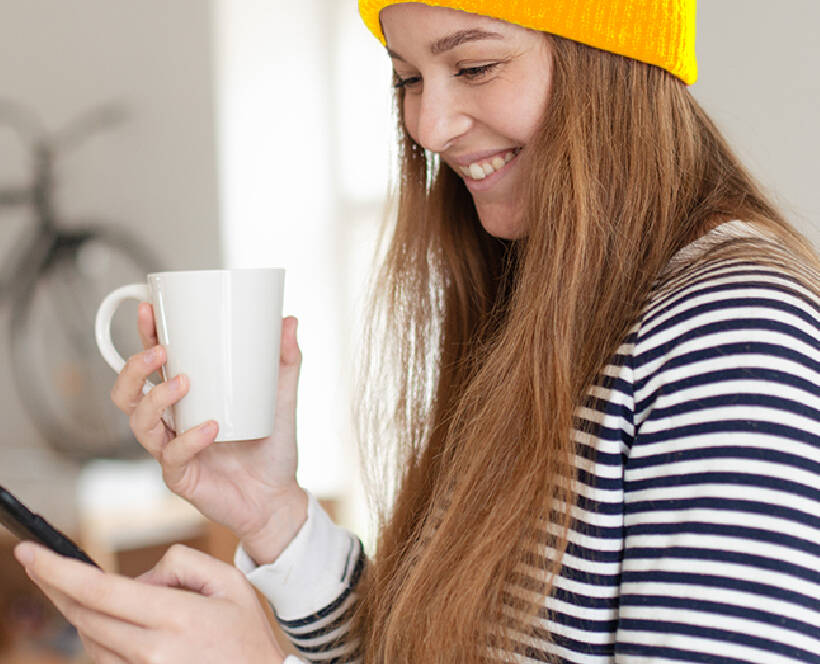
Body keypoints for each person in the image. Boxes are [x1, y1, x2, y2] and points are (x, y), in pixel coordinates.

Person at [14, 1, 820, 662]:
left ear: (613, 56)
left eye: (475, 66)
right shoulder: (550, 304)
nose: (428, 127)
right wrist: (275, 518)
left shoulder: (734, 338)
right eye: (407, 78)